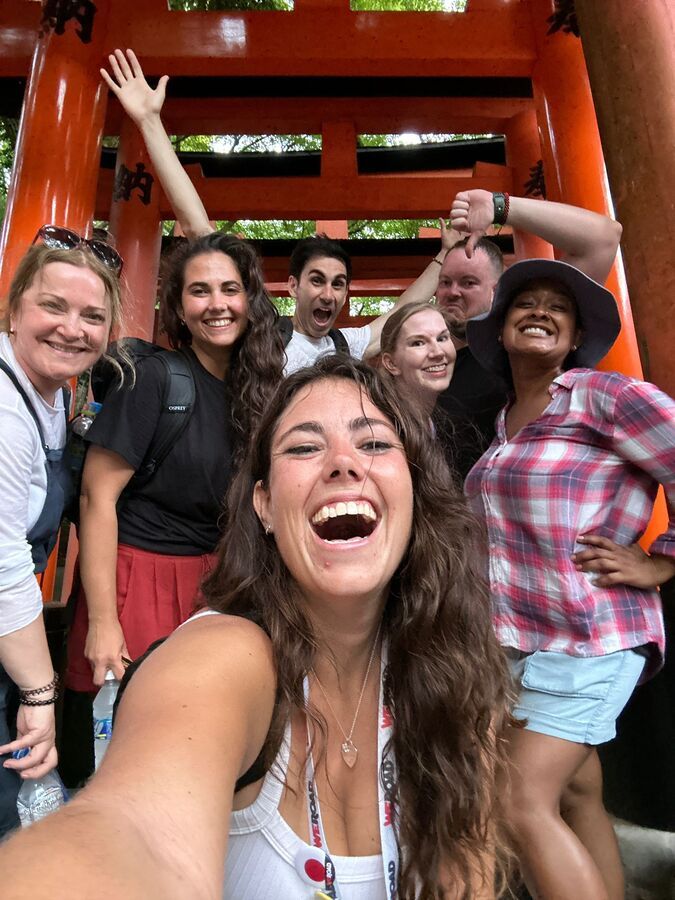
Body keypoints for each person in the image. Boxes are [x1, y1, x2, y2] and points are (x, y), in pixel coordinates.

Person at [0, 356, 514, 899]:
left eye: (375, 444)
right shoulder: (228, 655)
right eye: (304, 447)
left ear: (415, 488)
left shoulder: (452, 671)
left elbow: (467, 875)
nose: (343, 463)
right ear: (264, 505)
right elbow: (131, 834)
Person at [464, 258, 675, 900]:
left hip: (593, 636)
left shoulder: (601, 395)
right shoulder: (503, 425)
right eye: (524, 303)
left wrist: (662, 560)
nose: (541, 311)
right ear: (499, 332)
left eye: (559, 307)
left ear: (575, 335)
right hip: (524, 643)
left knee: (518, 800)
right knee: (579, 792)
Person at [63, 233, 284, 774]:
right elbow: (97, 497)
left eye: (231, 289)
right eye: (199, 291)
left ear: (250, 300)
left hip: (217, 587)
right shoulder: (157, 379)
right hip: (140, 579)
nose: (217, 305)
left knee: (197, 753)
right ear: (179, 309)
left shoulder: (258, 389)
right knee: (125, 756)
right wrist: (105, 622)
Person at [99, 49, 459, 375]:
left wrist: (444, 255)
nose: (328, 294)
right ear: (292, 286)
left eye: (338, 284)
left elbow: (401, 311)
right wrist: (149, 121)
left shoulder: (346, 346)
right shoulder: (264, 334)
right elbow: (198, 229)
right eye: (317, 280)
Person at [0, 230, 122, 835]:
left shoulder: (55, 391)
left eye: (92, 316)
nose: (72, 329)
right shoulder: (3, 406)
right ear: (15, 304)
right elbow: (2, 566)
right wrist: (40, 693)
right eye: (53, 306)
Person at [434, 189, 623, 479]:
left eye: (468, 282)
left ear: (499, 293)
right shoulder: (429, 363)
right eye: (444, 282)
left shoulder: (523, 352)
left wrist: (499, 207)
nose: (452, 292)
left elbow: (604, 238)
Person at [379, 299, 455, 434]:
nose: (438, 352)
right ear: (391, 363)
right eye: (418, 343)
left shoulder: (427, 421)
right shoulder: (381, 427)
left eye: (442, 338)